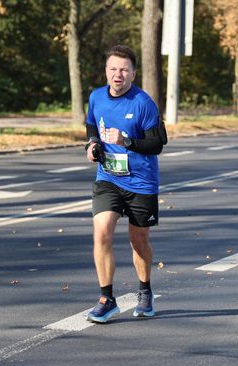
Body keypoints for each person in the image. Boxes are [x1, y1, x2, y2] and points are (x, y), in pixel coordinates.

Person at [84, 45, 167, 323]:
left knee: (138, 239)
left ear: (133, 72)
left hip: (141, 182)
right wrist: (92, 144)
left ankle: (145, 291)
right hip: (108, 178)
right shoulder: (96, 97)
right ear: (106, 71)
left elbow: (157, 144)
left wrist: (126, 141)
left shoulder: (143, 103)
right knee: (102, 233)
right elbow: (92, 126)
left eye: (123, 69)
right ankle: (107, 298)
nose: (117, 74)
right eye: (113, 69)